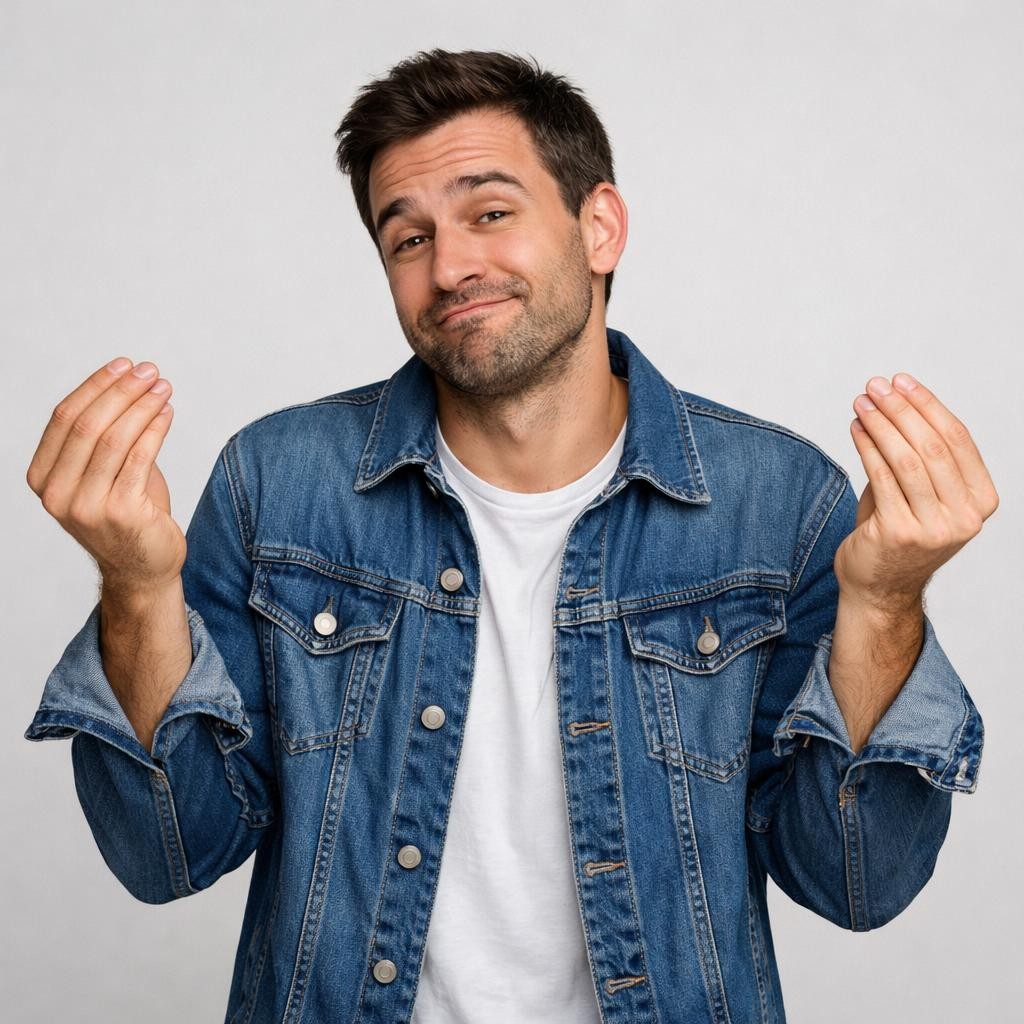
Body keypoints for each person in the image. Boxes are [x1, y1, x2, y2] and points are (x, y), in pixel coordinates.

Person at [24, 49, 996, 1024]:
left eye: (490, 213)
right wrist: (134, 585)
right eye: (407, 239)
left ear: (599, 226)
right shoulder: (277, 485)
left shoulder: (776, 504)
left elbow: (856, 878)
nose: (449, 267)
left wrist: (885, 604)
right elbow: (169, 850)